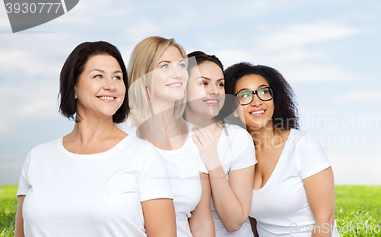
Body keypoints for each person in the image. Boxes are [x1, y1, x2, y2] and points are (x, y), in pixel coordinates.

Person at [14, 41, 176, 237]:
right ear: (73, 87)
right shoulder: (37, 157)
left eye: (117, 77)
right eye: (98, 76)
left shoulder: (143, 156)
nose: (110, 85)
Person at [224, 62, 342, 237]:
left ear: (274, 99)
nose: (257, 102)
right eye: (245, 95)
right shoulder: (237, 155)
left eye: (264, 92)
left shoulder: (303, 146)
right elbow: (252, 223)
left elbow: (326, 219)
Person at [125, 37, 214, 237]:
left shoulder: (196, 137)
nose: (178, 73)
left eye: (181, 65)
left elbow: (201, 223)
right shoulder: (121, 134)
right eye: (164, 66)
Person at [184, 51, 256, 236]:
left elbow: (235, 222)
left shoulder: (238, 138)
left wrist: (212, 161)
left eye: (220, 84)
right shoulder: (171, 138)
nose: (214, 90)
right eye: (204, 83)